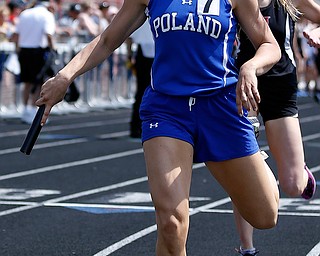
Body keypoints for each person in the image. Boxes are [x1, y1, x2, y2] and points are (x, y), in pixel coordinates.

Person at [35, 0, 281, 254]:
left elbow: (269, 45)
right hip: (167, 109)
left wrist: (250, 67)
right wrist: (65, 76)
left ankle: (257, 162)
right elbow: (108, 39)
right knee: (171, 224)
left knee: (265, 216)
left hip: (221, 107)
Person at [233, 0, 319, 254]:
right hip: (244, 84)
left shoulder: (289, 0)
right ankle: (246, 248)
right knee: (241, 171)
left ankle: (301, 171)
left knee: (292, 185)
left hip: (281, 86)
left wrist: (316, 31)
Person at [11, 0, 55, 124]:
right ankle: (32, 109)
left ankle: (25, 109)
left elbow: (17, 34)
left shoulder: (25, 13)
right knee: (38, 81)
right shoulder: (47, 14)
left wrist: (18, 50)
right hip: (38, 51)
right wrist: (53, 49)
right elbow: (48, 34)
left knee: (27, 81)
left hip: (24, 51)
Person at [127, 20, 154, 138]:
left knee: (142, 92)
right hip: (149, 52)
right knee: (142, 92)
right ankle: (138, 126)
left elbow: (129, 37)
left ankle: (137, 127)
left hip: (147, 52)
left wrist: (129, 56)